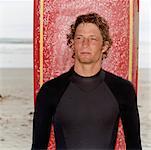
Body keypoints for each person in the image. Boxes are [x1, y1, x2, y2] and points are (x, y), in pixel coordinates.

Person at [32, 13, 142, 149]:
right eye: (79, 38)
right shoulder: (50, 90)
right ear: (72, 44)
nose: (85, 44)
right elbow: (37, 146)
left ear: (105, 46)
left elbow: (135, 146)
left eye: (93, 39)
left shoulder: (123, 89)